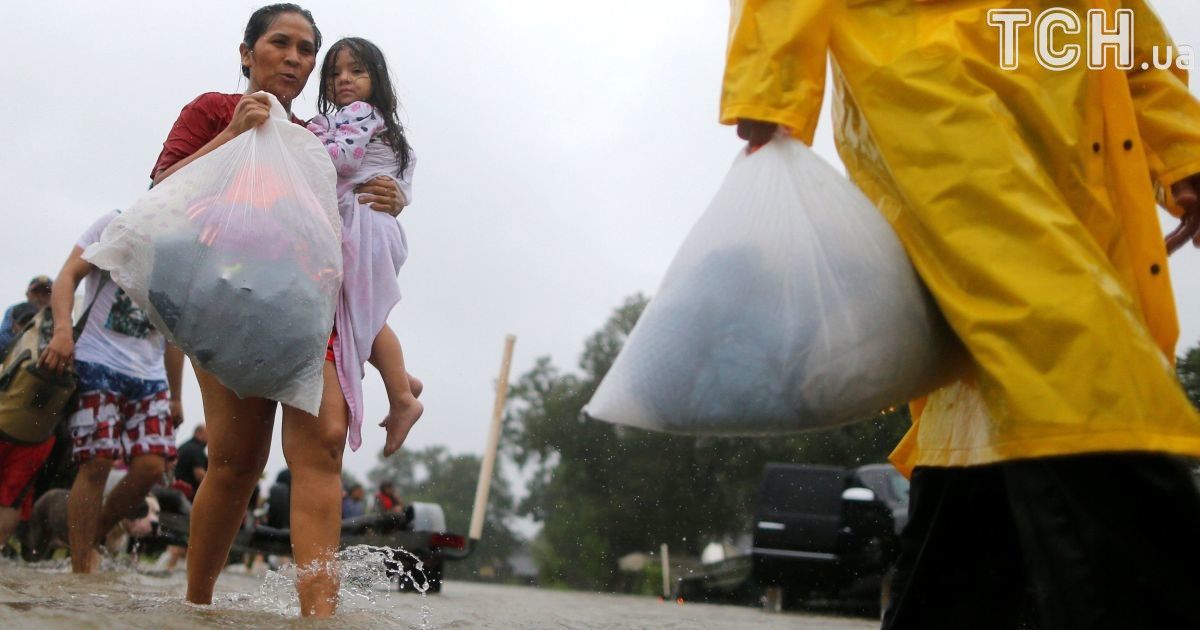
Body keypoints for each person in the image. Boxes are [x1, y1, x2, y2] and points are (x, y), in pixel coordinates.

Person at [722, 2, 1200, 628]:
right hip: (934, 85)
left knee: (993, 393)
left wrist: (1184, 152)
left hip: (1073, 129)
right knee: (1070, 351)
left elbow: (1126, 29)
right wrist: (771, 79)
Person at [148, 4, 408, 617]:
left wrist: (392, 200)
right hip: (227, 301)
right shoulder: (214, 108)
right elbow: (160, 194)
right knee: (236, 463)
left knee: (324, 442)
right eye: (280, 43)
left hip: (304, 303)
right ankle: (197, 606)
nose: (295, 58)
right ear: (247, 53)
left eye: (306, 49)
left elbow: (347, 215)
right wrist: (233, 134)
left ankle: (320, 614)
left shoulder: (322, 136)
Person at [38, 210, 185, 573]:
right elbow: (68, 275)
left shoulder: (185, 248)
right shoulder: (117, 224)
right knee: (97, 461)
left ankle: (95, 535)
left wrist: (177, 395)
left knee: (151, 466)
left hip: (149, 376)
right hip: (96, 361)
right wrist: (62, 331)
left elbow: (173, 331)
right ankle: (82, 564)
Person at [308, 36, 424, 458]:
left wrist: (302, 143)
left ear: (376, 79)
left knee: (360, 313)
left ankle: (403, 399)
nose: (344, 80)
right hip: (372, 226)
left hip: (363, 226)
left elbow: (343, 160)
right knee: (356, 311)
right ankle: (401, 381)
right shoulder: (386, 130)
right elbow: (403, 177)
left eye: (356, 70)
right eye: (335, 73)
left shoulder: (359, 115)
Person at [0, 276, 52, 353]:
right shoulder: (15, 310)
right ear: (27, 294)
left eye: (46, 292)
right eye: (36, 291)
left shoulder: (60, 315)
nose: (40, 295)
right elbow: (3, 338)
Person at [174, 424, 208, 499]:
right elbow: (200, 476)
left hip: (178, 490)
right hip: (189, 496)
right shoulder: (196, 450)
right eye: (208, 434)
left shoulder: (184, 446)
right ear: (199, 433)